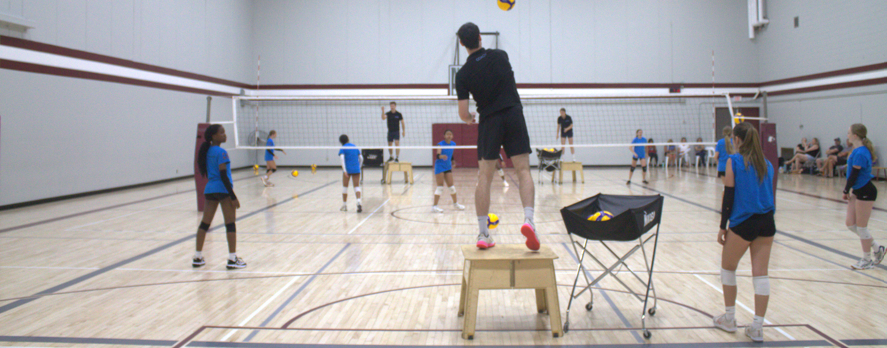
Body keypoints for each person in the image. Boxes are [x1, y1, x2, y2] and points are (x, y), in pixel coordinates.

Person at [455, 22, 538, 251]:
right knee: (523, 171)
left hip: (489, 121)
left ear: (462, 43)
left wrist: (469, 118)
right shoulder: (501, 55)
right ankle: (529, 220)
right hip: (513, 114)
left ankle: (483, 234)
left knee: (484, 177)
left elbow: (463, 114)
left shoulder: (462, 75)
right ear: (480, 37)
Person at [712, 122, 775, 342]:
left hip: (744, 223)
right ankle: (757, 327)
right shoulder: (767, 164)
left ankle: (730, 319)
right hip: (767, 223)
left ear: (736, 140)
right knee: (761, 274)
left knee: (728, 269)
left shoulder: (734, 161)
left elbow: (728, 197)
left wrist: (723, 226)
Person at [193, 124, 246, 269]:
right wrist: (233, 196)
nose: (225, 135)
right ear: (214, 136)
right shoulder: (221, 152)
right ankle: (232, 258)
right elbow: (223, 174)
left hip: (210, 189)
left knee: (205, 223)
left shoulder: (207, 151)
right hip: (223, 190)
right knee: (230, 223)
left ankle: (197, 257)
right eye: (221, 133)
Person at [843, 124, 885, 269]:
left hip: (865, 191)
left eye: (848, 133)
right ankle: (877, 248)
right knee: (850, 224)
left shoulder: (861, 152)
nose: (847, 135)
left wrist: (846, 190)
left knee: (861, 227)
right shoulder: (856, 150)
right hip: (857, 190)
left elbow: (854, 174)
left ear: (855, 135)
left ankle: (867, 260)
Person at [433, 130, 467, 213]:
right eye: (447, 134)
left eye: (450, 134)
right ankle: (435, 206)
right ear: (444, 136)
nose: (449, 135)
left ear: (452, 136)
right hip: (440, 166)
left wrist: (453, 160)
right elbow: (437, 155)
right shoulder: (440, 144)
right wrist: (442, 156)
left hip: (448, 166)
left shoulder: (453, 144)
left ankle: (455, 204)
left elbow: (451, 154)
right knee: (440, 187)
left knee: (451, 187)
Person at [338, 134, 363, 213]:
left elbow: (342, 158)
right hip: (356, 169)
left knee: (345, 187)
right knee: (356, 186)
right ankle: (359, 201)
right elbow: (361, 158)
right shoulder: (354, 146)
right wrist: (359, 166)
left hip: (348, 170)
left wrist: (344, 170)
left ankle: (344, 205)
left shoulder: (343, 148)